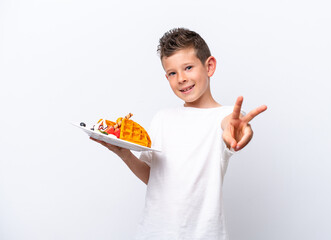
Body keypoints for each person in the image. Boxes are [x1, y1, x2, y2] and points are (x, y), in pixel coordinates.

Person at [91, 28, 267, 240]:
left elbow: (231, 127)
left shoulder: (226, 116)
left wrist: (238, 129)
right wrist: (125, 154)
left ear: (209, 66)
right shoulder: (162, 118)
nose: (181, 78)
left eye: (189, 68)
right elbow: (154, 178)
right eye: (173, 73)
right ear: (166, 77)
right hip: (151, 233)